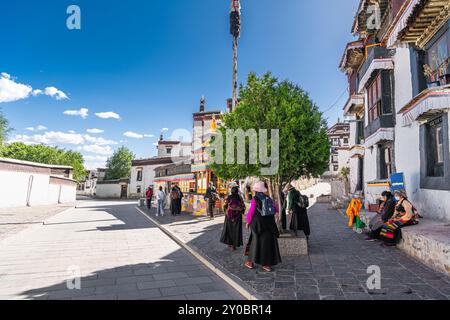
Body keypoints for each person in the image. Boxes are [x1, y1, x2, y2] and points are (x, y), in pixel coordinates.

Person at [244, 181, 281, 272]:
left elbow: (251, 212)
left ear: (256, 190)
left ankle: (250, 262)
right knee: (267, 244)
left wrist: (248, 222)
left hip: (258, 225)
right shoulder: (268, 198)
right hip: (269, 225)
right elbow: (276, 209)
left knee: (255, 242)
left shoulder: (255, 199)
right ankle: (266, 265)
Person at [220, 186, 245, 251]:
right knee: (236, 231)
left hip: (229, 216)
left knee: (229, 230)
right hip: (238, 216)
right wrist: (240, 211)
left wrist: (225, 211)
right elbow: (243, 207)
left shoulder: (229, 197)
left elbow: (225, 206)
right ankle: (234, 245)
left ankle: (230, 244)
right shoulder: (240, 197)